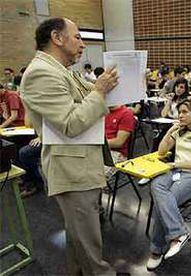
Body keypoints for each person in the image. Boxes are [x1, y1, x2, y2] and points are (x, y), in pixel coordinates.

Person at [20, 18, 119, 275]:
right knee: (88, 237)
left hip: (80, 162)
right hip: (71, 167)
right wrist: (99, 91)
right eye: (77, 37)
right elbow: (71, 122)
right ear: (57, 37)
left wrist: (116, 85)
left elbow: (97, 95)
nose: (83, 44)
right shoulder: (41, 73)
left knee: (79, 235)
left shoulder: (61, 69)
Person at [146, 99, 191, 271]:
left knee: (165, 202)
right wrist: (170, 131)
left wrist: (175, 165)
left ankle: (156, 250)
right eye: (179, 112)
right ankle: (179, 233)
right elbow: (161, 152)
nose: (180, 115)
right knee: (156, 185)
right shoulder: (179, 131)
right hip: (174, 172)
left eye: (184, 112)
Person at [104, 105, 136, 178]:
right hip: (101, 148)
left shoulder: (126, 114)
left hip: (117, 153)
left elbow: (119, 142)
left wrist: (97, 143)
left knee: (95, 176)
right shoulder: (102, 111)